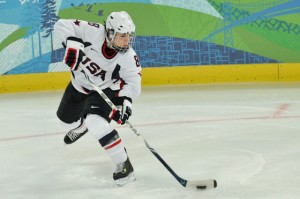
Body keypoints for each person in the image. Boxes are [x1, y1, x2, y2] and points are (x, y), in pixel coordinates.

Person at [54, 11, 142, 186]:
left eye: (128, 36)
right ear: (109, 33)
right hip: (79, 85)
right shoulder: (93, 31)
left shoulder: (128, 57)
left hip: (105, 90)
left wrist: (126, 102)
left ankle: (124, 164)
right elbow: (61, 25)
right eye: (122, 36)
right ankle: (81, 125)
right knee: (65, 122)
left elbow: (133, 82)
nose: (126, 41)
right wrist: (72, 44)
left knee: (95, 121)